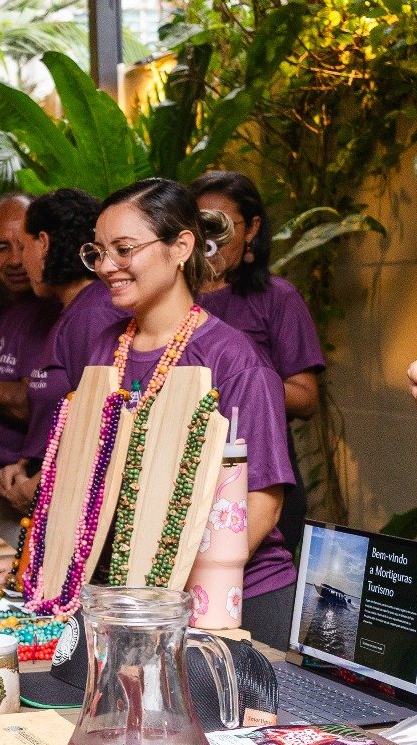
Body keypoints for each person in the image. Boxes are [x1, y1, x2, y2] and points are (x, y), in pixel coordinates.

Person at [77, 178, 295, 646]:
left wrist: (174, 590)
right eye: (98, 252)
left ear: (180, 247)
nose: (107, 266)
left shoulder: (233, 360)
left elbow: (263, 501)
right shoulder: (105, 348)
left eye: (124, 249)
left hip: (230, 604)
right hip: (136, 599)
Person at [190, 170, 324, 550]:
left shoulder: (277, 297)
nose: (210, 239)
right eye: (202, 225)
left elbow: (306, 398)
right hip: (186, 472)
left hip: (258, 475)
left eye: (222, 225)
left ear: (251, 228)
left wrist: (241, 381)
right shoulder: (174, 300)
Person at [0, 189, 125, 513]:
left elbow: (101, 424)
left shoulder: (93, 315)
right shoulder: (72, 311)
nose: (20, 261)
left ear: (43, 244)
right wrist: (27, 462)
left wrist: (37, 484)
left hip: (74, 504)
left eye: (24, 246)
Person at [0, 195, 60, 515]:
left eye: (23, 245)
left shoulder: (56, 309)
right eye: (1, 247)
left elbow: (28, 403)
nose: (14, 260)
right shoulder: (9, 310)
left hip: (26, 489)